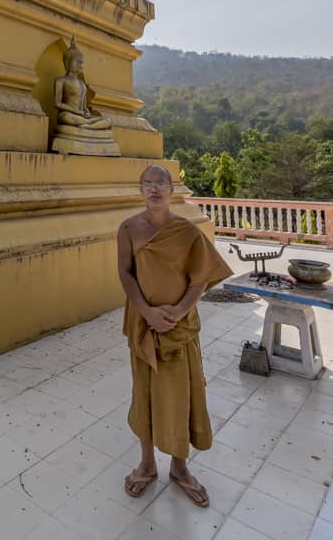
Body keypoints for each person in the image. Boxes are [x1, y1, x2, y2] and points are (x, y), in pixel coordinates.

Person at [117, 163, 233, 507]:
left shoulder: (186, 231)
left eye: (161, 183)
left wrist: (179, 311)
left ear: (172, 190)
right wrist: (147, 311)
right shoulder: (128, 228)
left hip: (179, 326)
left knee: (182, 395)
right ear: (141, 190)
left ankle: (180, 467)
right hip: (143, 324)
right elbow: (125, 273)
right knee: (145, 393)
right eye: (147, 184)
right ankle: (147, 463)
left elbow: (200, 278)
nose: (154, 189)